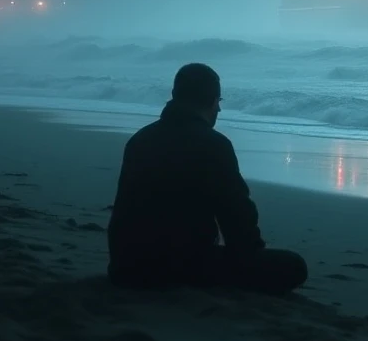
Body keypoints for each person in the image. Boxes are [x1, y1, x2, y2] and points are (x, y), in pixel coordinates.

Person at [107, 62, 307, 295]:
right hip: (181, 266)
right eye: (219, 102)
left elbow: (123, 210)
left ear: (174, 95)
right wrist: (252, 254)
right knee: (293, 266)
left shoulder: (140, 139)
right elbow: (236, 215)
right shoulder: (214, 145)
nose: (219, 111)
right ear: (212, 101)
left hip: (126, 265)